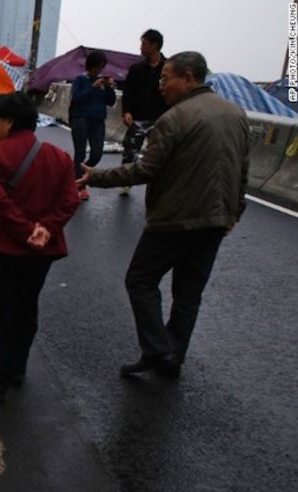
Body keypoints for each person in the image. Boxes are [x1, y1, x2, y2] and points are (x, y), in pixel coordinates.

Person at [78, 51, 250, 378]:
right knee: (188, 294)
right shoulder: (236, 113)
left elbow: (145, 170)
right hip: (215, 220)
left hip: (175, 218)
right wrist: (234, 212)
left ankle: (158, 350)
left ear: (188, 78)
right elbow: (243, 169)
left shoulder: (174, 119)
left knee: (140, 280)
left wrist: (95, 177)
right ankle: (173, 355)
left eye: (165, 78)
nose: (161, 86)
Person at [0, 92, 80, 402]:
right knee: (26, 308)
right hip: (40, 251)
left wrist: (25, 229)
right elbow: (70, 199)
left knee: (0, 314)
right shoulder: (59, 156)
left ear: (8, 121)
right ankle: (17, 367)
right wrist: (45, 228)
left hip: (3, 249)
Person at [119, 29, 168, 195]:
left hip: (161, 119)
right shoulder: (136, 69)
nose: (141, 47)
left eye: (144, 44)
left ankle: (157, 187)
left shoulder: (168, 68)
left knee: (159, 155)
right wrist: (126, 111)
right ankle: (126, 182)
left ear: (154, 46)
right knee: (130, 151)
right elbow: (128, 92)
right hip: (138, 117)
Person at [70, 51, 116, 201]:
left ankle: (75, 174)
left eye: (102, 68)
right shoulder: (80, 80)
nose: (100, 71)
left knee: (96, 154)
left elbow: (110, 101)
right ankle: (79, 185)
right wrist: (92, 88)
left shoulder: (102, 83)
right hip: (81, 119)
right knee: (80, 153)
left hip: (98, 121)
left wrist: (110, 87)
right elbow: (76, 99)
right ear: (91, 66)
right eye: (98, 67)